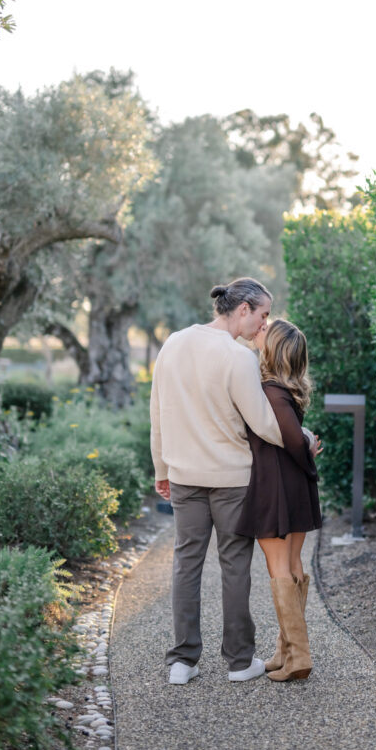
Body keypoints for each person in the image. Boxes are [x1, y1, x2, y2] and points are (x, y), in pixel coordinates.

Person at [150, 277, 285, 685]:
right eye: (262, 315)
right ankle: (240, 662)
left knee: (186, 565)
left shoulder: (173, 343)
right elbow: (263, 423)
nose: (263, 325)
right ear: (243, 309)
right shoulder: (238, 356)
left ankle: (182, 662)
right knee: (235, 566)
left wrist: (162, 469)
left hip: (185, 476)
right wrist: (306, 440)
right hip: (231, 479)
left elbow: (158, 413)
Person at [235, 318, 322, 681]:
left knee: (279, 568)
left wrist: (307, 453)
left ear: (275, 351)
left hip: (275, 486)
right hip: (295, 485)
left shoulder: (269, 390)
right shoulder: (287, 389)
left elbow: (289, 436)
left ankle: (299, 655)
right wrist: (307, 452)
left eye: (265, 335)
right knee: (294, 564)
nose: (260, 333)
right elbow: (296, 435)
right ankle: (285, 651)